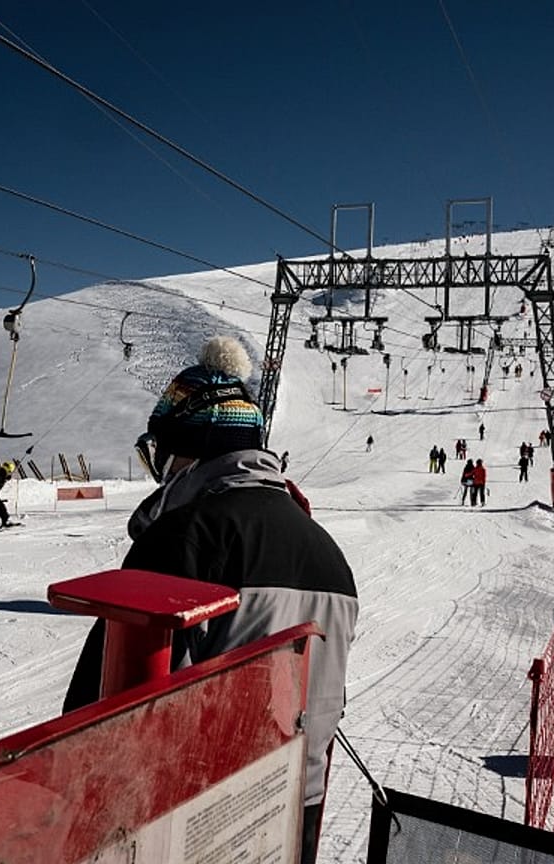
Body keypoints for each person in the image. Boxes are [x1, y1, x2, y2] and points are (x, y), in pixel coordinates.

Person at [63, 337, 358, 864]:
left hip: (201, 822)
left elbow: (106, 705)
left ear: (186, 451)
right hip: (295, 812)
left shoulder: (184, 537)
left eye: (161, 450)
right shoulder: (328, 553)